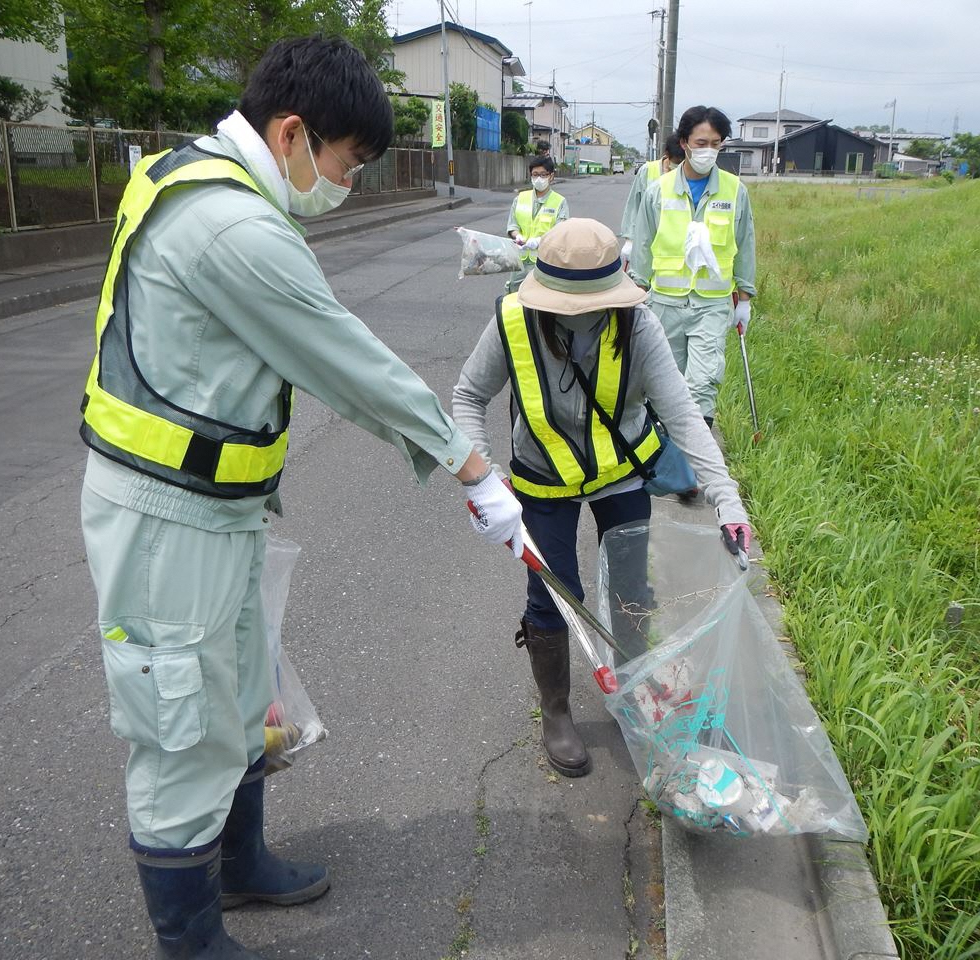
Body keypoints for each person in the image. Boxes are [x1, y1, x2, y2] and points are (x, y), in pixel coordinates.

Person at [78, 36, 522, 960]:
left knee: (241, 698)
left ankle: (238, 864)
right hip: (167, 519)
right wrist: (473, 470)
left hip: (218, 509)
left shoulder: (189, 175)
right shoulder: (231, 226)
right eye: (348, 163)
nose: (347, 186)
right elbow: (341, 353)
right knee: (182, 724)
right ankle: (190, 940)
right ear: (291, 132)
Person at [452, 218, 752, 778]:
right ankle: (557, 710)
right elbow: (469, 394)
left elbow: (684, 415)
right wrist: (484, 478)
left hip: (622, 473)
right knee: (553, 595)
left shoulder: (638, 326)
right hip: (543, 479)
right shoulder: (514, 319)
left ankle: (634, 690)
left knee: (632, 589)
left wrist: (727, 501)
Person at [628, 106, 756, 425]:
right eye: (701, 143)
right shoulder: (659, 191)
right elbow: (643, 243)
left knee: (701, 383)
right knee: (662, 384)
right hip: (665, 303)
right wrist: (636, 292)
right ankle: (662, 462)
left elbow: (745, 244)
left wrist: (745, 298)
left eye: (715, 143)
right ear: (684, 142)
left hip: (711, 305)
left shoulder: (735, 191)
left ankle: (693, 465)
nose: (708, 150)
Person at [505, 154, 569, 292]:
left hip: (545, 263)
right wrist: (517, 236)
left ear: (551, 176)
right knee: (515, 295)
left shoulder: (559, 202)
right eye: (535, 175)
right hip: (520, 262)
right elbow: (512, 226)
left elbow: (561, 232)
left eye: (543, 175)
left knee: (542, 300)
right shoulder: (520, 198)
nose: (539, 178)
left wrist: (540, 241)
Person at [618, 133, 685, 262]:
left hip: (674, 244)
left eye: (682, 162)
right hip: (646, 238)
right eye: (676, 162)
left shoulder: (688, 175)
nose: (678, 166)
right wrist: (629, 239)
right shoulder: (647, 170)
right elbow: (634, 204)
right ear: (667, 154)